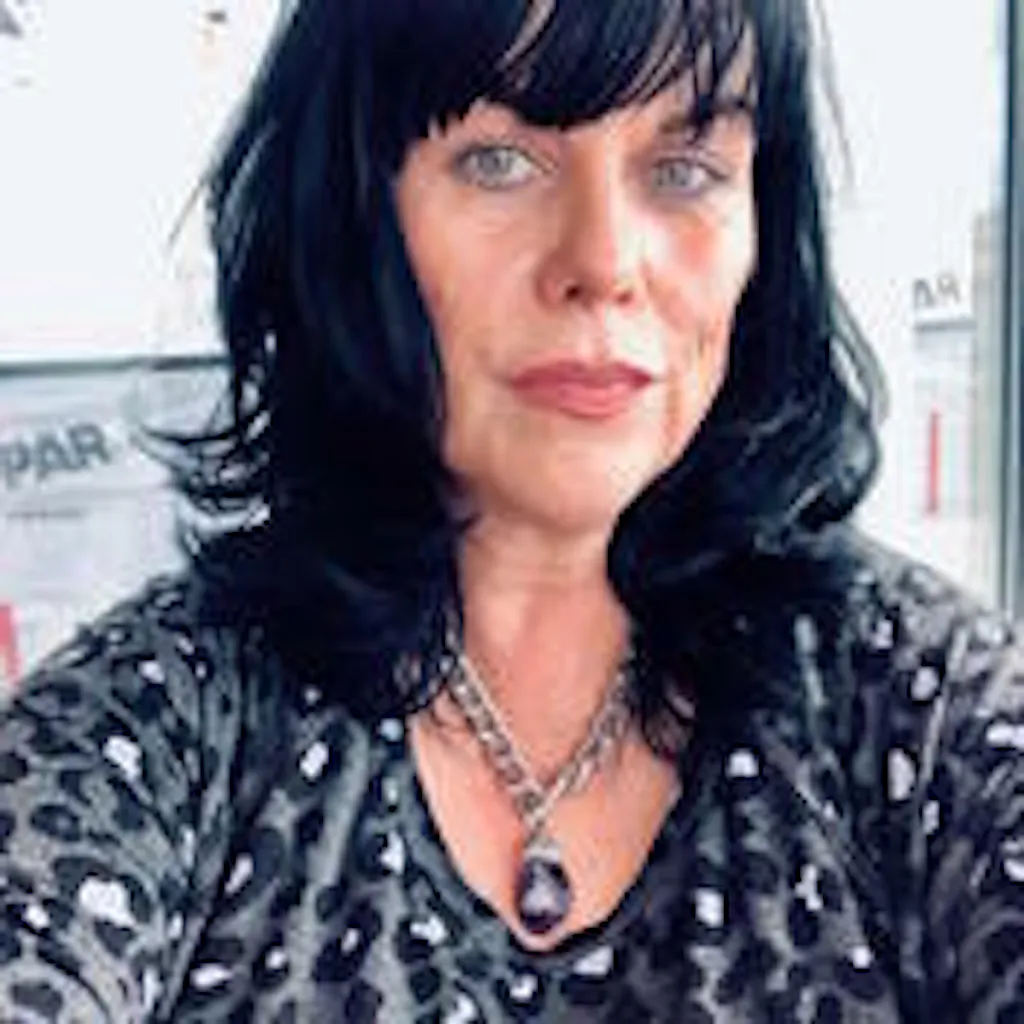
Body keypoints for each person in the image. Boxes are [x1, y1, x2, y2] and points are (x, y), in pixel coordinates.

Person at [1, 0, 1022, 1019]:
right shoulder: (154, 727)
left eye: (684, 171)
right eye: (499, 161)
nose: (604, 263)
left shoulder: (918, 702)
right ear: (351, 213)